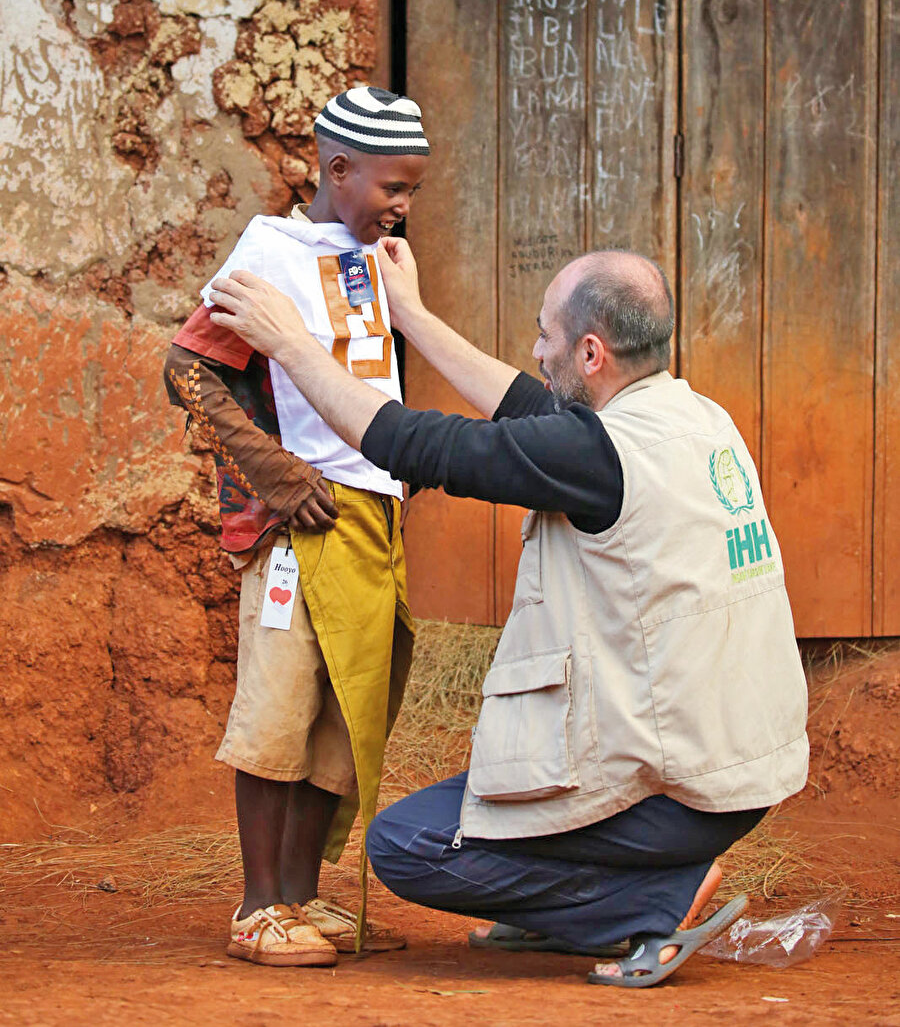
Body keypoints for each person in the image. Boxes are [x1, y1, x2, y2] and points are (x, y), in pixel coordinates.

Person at [203, 239, 810, 988]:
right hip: (734, 768)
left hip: (675, 791)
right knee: (481, 806)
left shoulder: (598, 456)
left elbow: (411, 443)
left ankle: (649, 900)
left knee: (408, 844)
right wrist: (415, 318)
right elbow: (532, 409)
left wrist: (291, 344)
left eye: (545, 336)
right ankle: (592, 899)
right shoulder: (693, 418)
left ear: (590, 353)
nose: (535, 350)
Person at [163, 86, 429, 966]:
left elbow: (374, 369)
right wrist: (274, 477)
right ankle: (255, 908)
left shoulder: (377, 255)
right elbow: (190, 368)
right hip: (297, 526)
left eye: (413, 190)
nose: (402, 205)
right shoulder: (268, 250)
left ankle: (302, 898)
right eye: (393, 186)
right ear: (337, 169)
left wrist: (404, 459)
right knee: (280, 709)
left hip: (368, 519)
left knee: (338, 714)